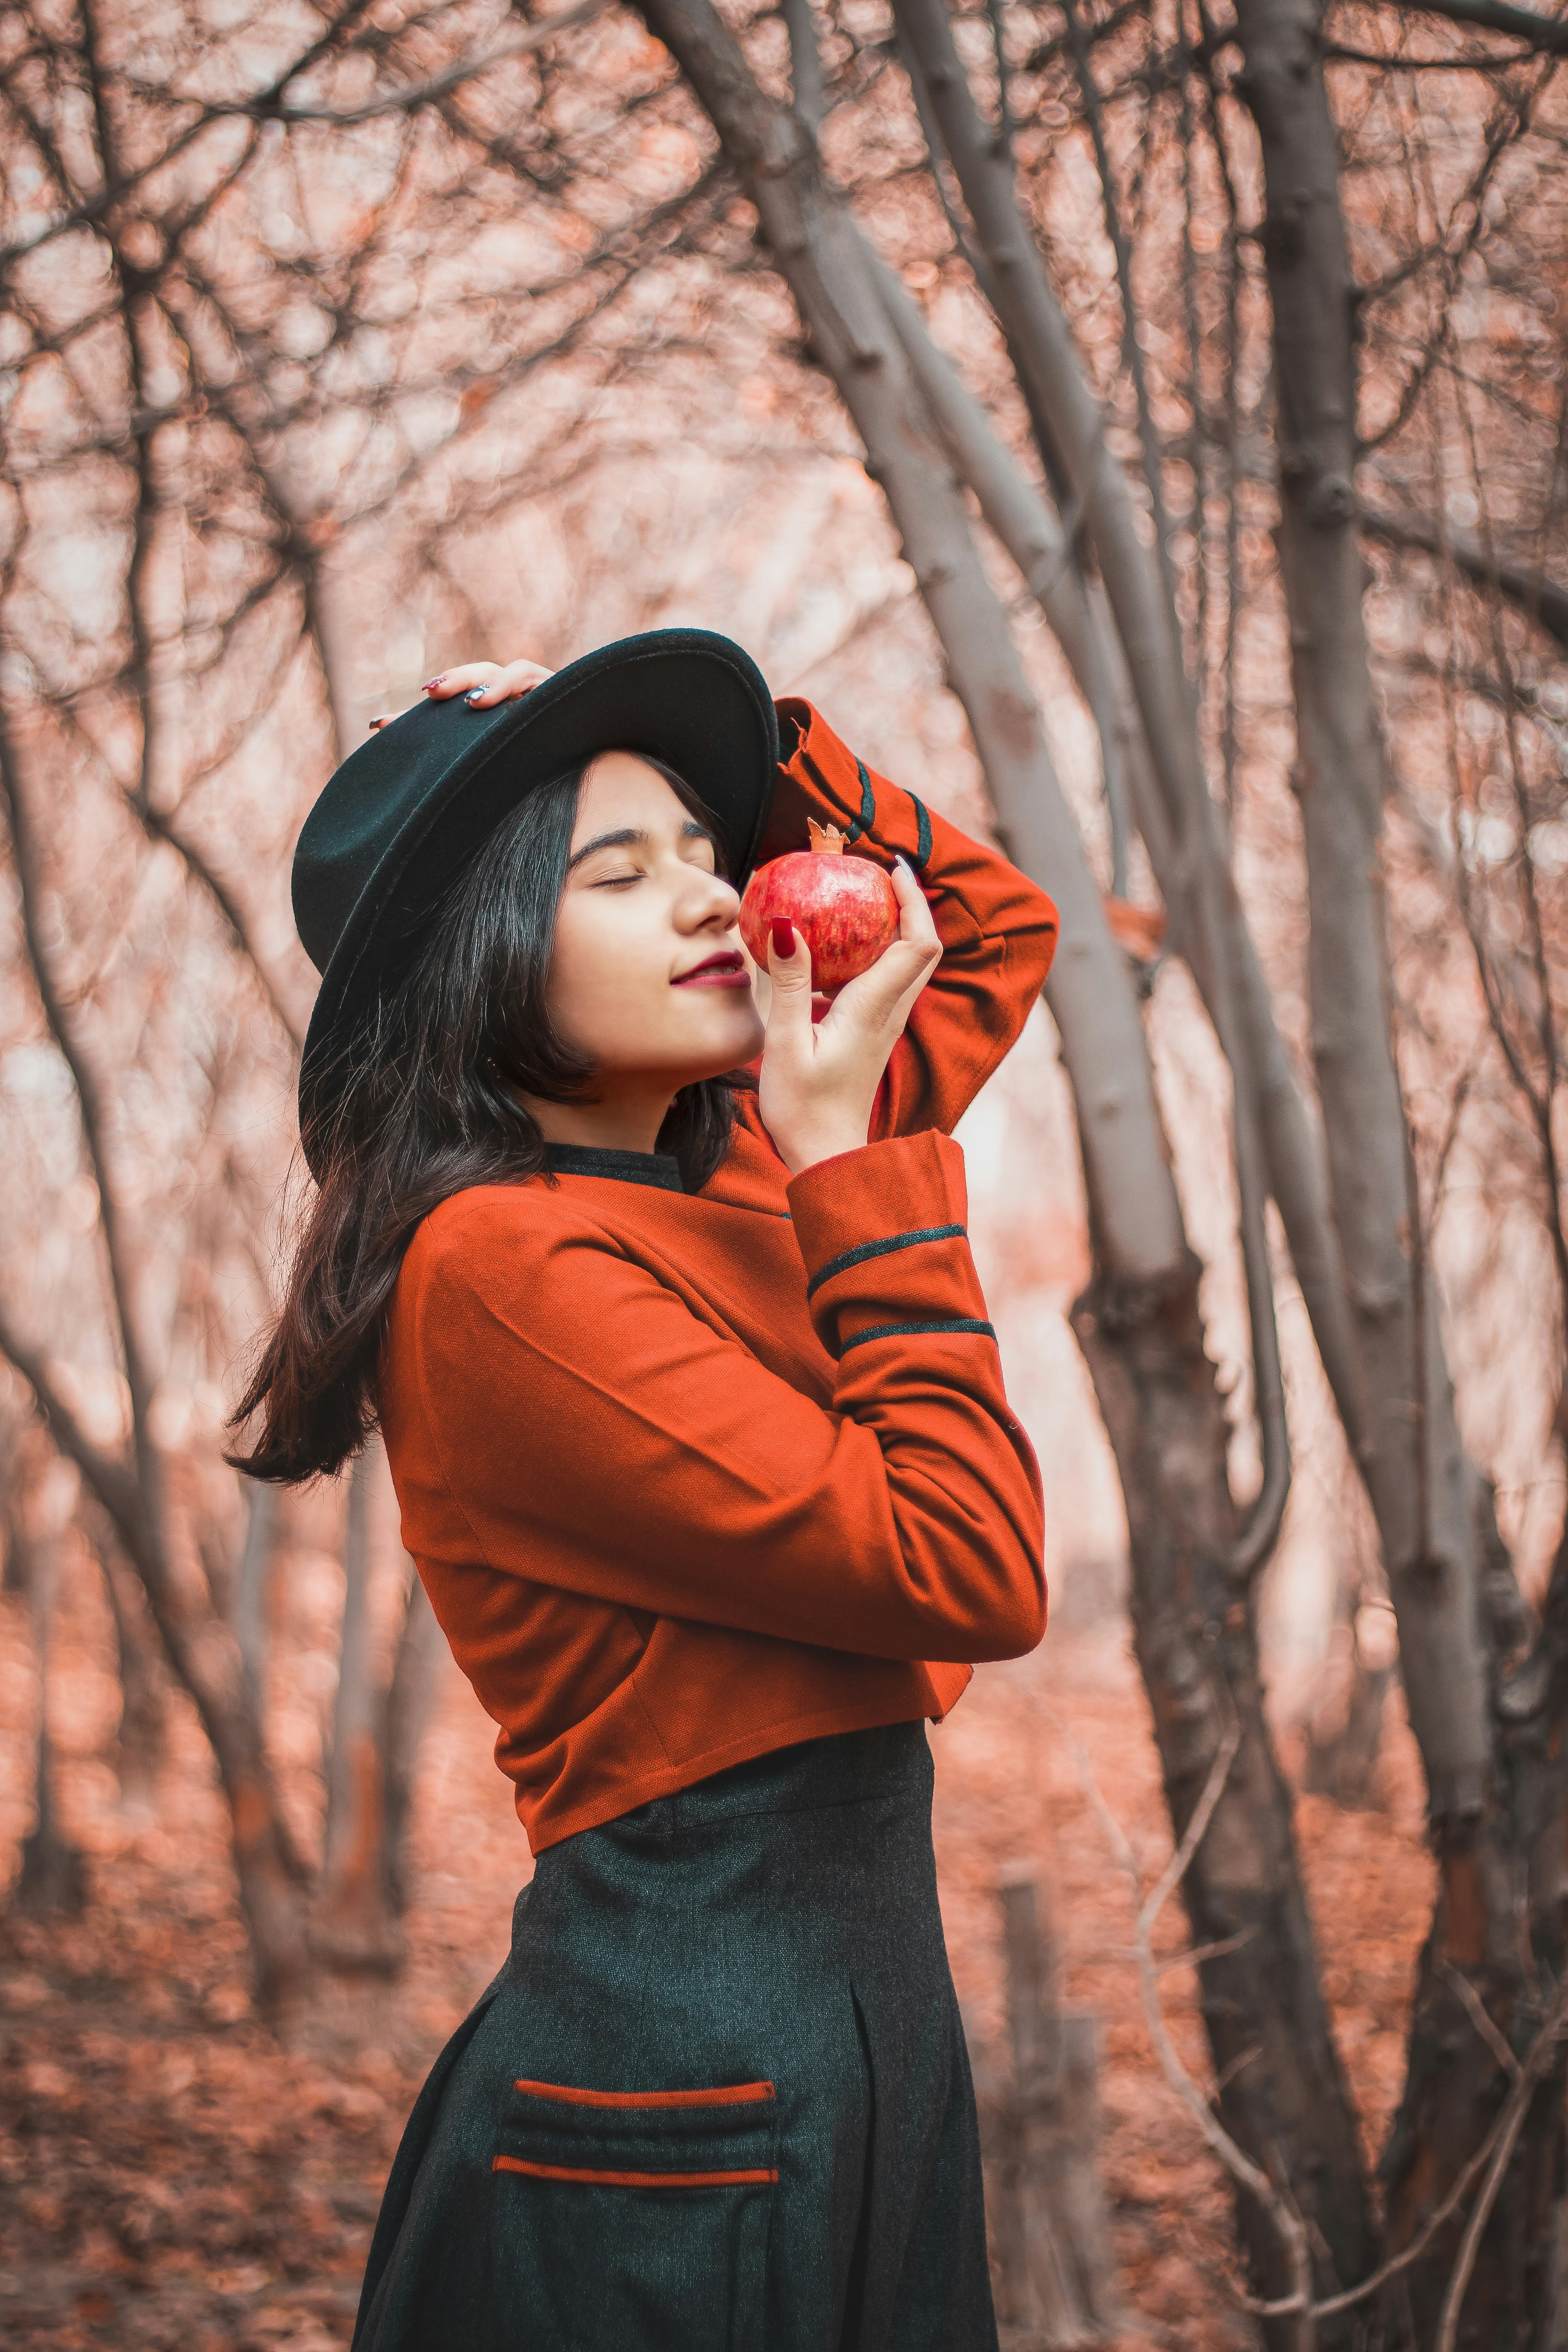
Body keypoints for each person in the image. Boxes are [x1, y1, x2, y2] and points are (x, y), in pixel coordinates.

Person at [232, 628, 1059, 2352]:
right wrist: (855, 1167)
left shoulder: (746, 1152)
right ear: (483, 953)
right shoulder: (503, 1268)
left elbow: (978, 931)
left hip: (848, 2021)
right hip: (688, 2068)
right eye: (626, 873)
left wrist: (764, 755)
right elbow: (967, 1564)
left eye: (714, 851)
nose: (715, 897)